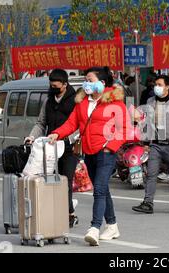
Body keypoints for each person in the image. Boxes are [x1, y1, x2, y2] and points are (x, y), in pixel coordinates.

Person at [49, 66, 128, 247]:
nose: (86, 83)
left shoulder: (115, 103)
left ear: (101, 83)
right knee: (103, 189)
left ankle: (94, 228)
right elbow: (72, 123)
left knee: (99, 188)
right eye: (85, 79)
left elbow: (124, 129)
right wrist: (56, 134)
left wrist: (110, 147)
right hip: (89, 151)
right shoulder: (82, 102)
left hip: (106, 152)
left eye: (89, 80)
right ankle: (112, 225)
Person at [25, 69, 80, 228]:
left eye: (56, 86)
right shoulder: (48, 101)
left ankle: (69, 213)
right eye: (51, 86)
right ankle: (52, 211)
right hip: (49, 149)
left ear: (64, 84)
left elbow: (78, 126)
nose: (53, 89)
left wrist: (69, 139)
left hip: (68, 148)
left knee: (65, 181)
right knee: (49, 181)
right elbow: (41, 123)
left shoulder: (75, 101)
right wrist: (32, 136)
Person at [132, 75, 169, 214]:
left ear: (167, 86)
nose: (156, 87)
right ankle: (148, 203)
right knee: (151, 174)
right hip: (155, 145)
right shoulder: (150, 101)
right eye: (155, 84)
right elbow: (146, 123)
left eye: (159, 84)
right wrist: (145, 141)